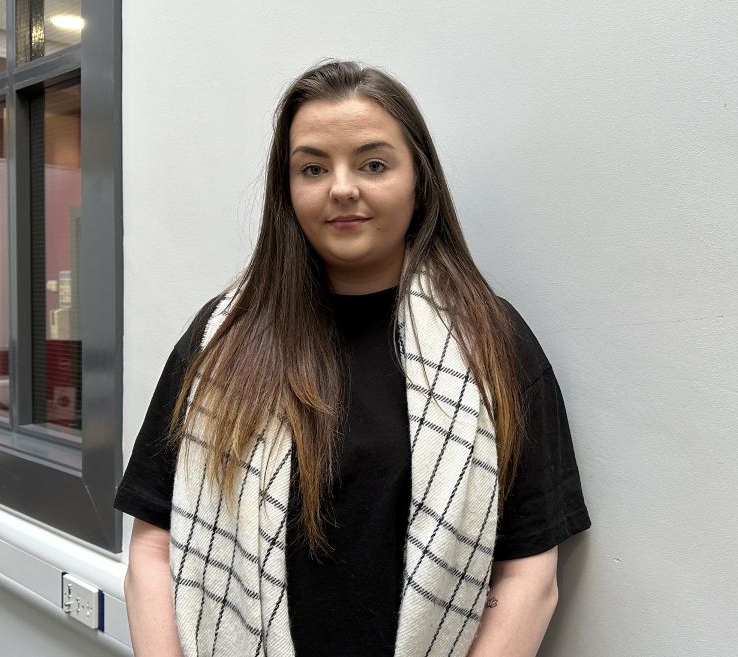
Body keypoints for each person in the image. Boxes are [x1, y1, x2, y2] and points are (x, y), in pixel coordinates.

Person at [114, 60, 590, 657]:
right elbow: (155, 545)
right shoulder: (221, 338)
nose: (342, 187)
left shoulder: (493, 341)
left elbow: (529, 572)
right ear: (287, 190)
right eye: (313, 167)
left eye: (373, 163)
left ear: (419, 180)